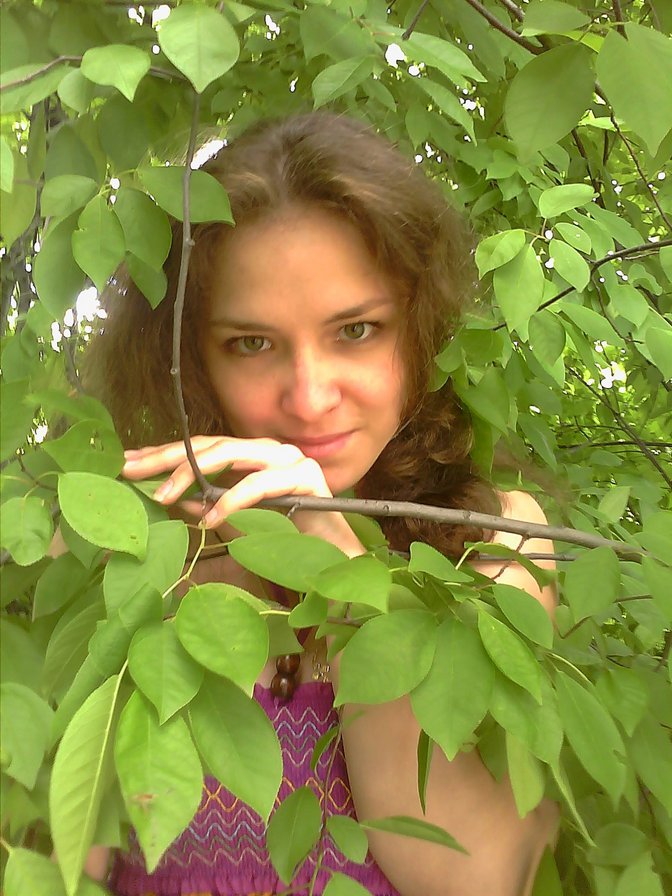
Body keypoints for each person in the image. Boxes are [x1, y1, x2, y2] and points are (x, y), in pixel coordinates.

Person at [84, 112, 558, 896]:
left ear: (420, 329)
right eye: (251, 343)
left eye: (357, 330)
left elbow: (475, 878)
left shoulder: (493, 548)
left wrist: (339, 572)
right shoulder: (135, 552)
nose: (308, 399)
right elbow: (60, 861)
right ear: (191, 358)